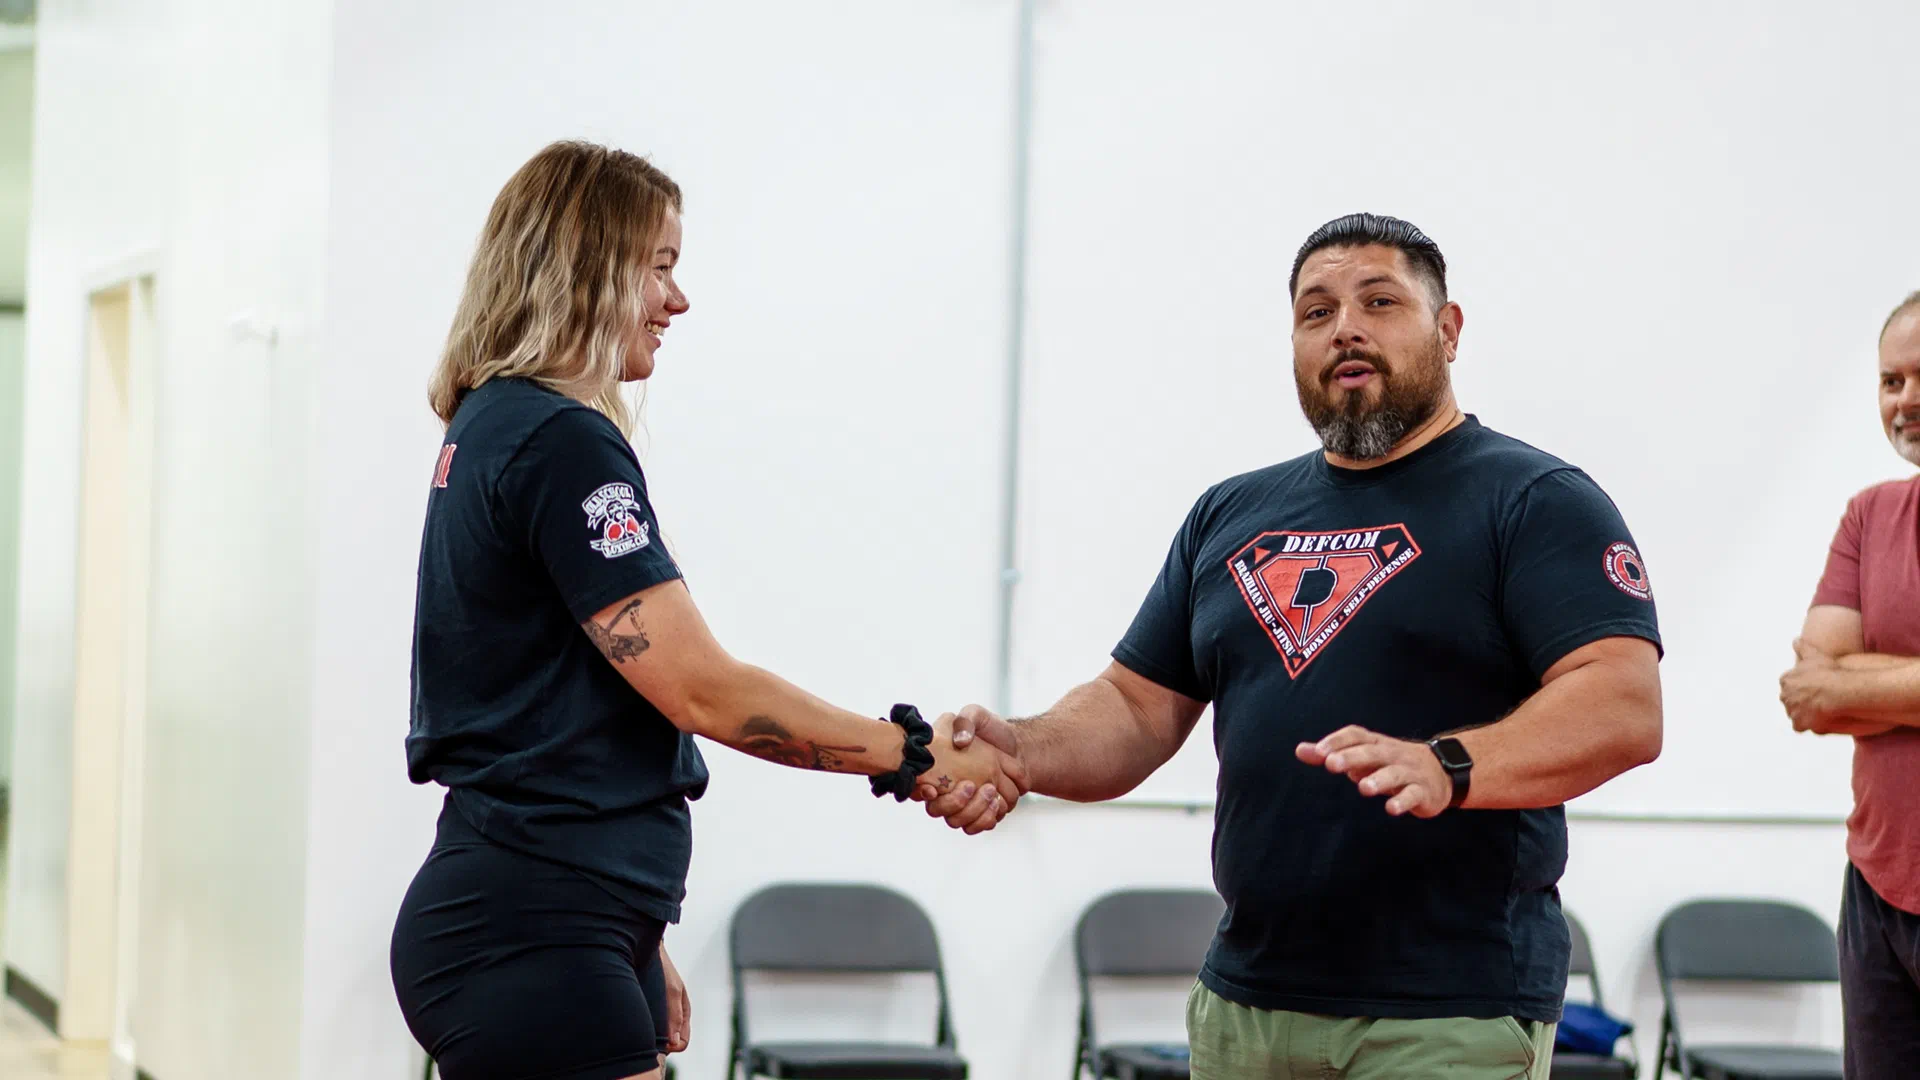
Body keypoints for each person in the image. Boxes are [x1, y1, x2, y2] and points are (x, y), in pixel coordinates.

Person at [926, 213, 1664, 1079]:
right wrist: (1026, 749)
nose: (1345, 326)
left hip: (1446, 1010)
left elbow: (1622, 704)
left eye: (1379, 301)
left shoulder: (1536, 499)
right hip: (1246, 1004)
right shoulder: (1230, 514)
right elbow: (1134, 707)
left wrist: (1447, 765)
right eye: (1315, 312)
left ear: (1449, 329)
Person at [389, 140, 1025, 1080]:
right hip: (530, 928)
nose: (677, 301)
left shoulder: (497, 423)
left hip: (560, 914)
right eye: (659, 267)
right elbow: (705, 692)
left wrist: (639, 940)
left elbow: (551, 711)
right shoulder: (561, 443)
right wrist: (916, 753)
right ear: (586, 266)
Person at [1779, 290, 1920, 1079]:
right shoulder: (1868, 516)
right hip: (1878, 881)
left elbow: (1838, 683)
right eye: (1890, 381)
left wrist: (1858, 680)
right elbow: (1809, 690)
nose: (1906, 400)